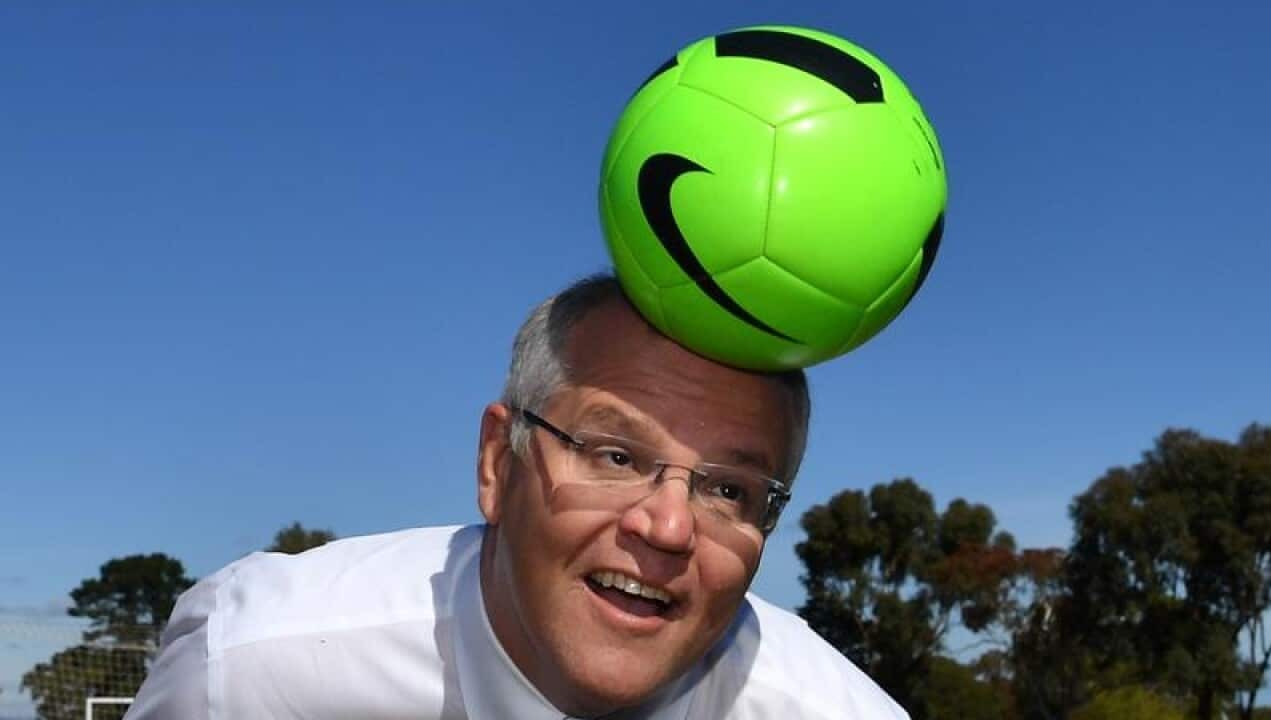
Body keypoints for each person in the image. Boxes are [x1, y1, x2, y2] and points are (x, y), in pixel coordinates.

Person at [125, 274, 908, 719]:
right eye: (615, 454)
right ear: (499, 462)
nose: (669, 526)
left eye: (730, 490)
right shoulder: (254, 677)